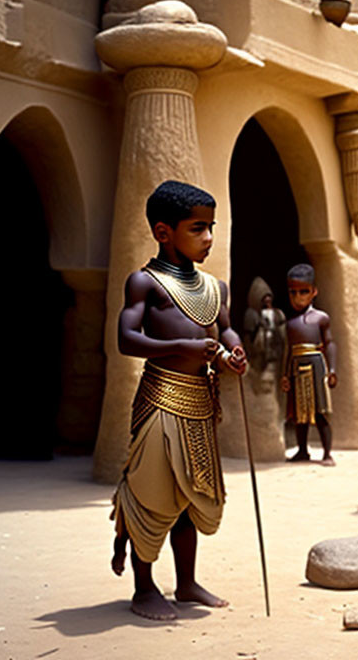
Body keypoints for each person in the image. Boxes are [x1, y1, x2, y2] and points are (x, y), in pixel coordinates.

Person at [109, 180, 247, 620]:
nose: (208, 238)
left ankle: (185, 583)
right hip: (160, 399)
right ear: (164, 232)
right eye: (197, 228)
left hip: (200, 403)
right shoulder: (145, 283)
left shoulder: (214, 287)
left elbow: (223, 330)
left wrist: (234, 353)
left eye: (211, 227)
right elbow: (126, 339)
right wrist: (178, 350)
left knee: (190, 496)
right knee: (151, 496)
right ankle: (144, 588)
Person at [279, 263, 337, 465]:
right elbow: (288, 350)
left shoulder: (321, 318)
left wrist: (332, 370)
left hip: (316, 366)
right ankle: (302, 450)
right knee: (298, 414)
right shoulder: (290, 323)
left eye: (304, 292)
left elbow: (329, 343)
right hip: (296, 367)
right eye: (293, 292)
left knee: (320, 411)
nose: (298, 298)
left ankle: (327, 453)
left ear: (314, 292)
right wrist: (285, 375)